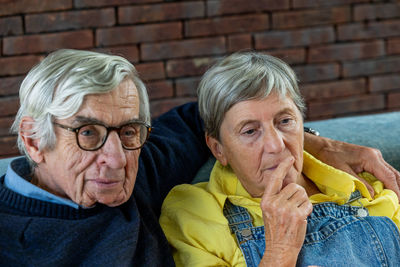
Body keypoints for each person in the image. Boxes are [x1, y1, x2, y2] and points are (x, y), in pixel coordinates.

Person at [0, 49, 398, 266]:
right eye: (88, 133)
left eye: (128, 131)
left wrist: (324, 144)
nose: (118, 159)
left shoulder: (139, 169)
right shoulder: (8, 239)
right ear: (34, 141)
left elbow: (217, 112)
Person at [160, 52, 400, 266]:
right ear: (218, 149)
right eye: (250, 131)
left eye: (285, 121)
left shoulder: (367, 183)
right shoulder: (194, 215)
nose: (276, 145)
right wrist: (279, 254)